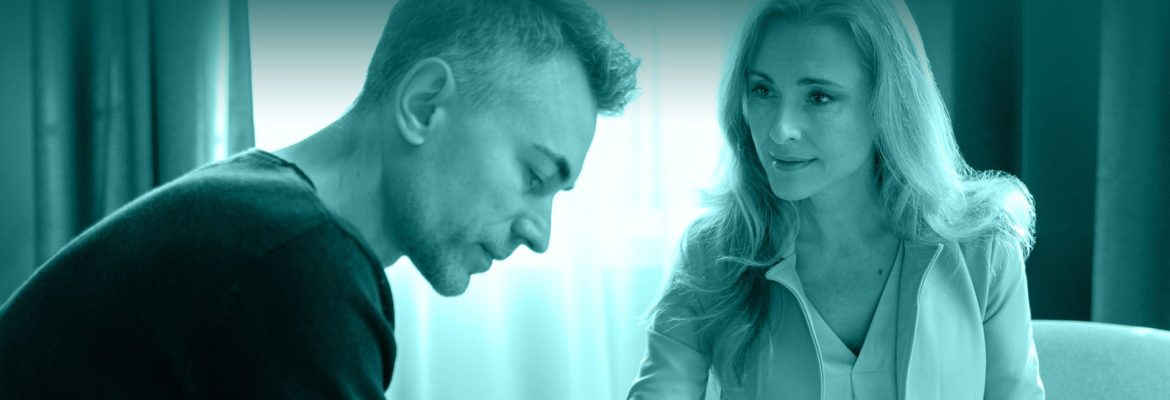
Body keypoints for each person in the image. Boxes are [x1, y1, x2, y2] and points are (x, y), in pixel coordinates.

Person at [0, 0, 637, 397]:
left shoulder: (255, 218)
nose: (540, 234)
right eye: (534, 176)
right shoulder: (296, 264)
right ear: (424, 105)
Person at [627, 0, 1042, 398]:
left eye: (818, 97)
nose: (780, 130)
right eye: (763, 90)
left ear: (886, 104)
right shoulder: (712, 255)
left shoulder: (983, 248)